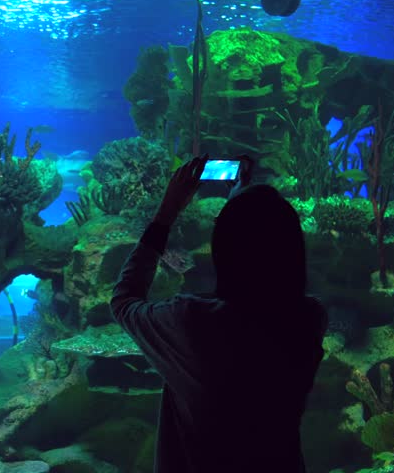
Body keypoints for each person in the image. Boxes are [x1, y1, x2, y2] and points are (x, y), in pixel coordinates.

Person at [110, 155, 327, 472]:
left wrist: (166, 214)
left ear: (220, 249)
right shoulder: (308, 319)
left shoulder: (192, 322)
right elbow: (263, 281)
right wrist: (240, 207)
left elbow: (124, 301)